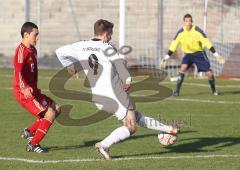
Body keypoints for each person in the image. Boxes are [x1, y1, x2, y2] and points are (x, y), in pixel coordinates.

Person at [56, 19, 179, 160]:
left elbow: (59, 52)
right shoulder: (108, 47)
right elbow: (120, 65)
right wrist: (127, 80)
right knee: (131, 126)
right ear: (106, 34)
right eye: (111, 33)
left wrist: (70, 66)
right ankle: (104, 144)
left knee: (135, 116)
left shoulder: (80, 45)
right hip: (115, 92)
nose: (111, 36)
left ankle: (169, 129)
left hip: (98, 97)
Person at [13, 22, 61, 153]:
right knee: (49, 114)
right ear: (26, 35)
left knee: (56, 108)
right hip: (24, 92)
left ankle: (29, 131)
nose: (37, 37)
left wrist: (34, 88)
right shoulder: (21, 51)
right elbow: (18, 72)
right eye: (36, 34)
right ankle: (33, 144)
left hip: (33, 91)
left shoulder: (33, 50)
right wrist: (24, 88)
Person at [160, 14, 225, 96]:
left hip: (199, 54)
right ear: (184, 22)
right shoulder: (180, 33)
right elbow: (173, 46)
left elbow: (207, 43)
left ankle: (214, 91)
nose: (188, 23)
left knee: (209, 73)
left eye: (190, 21)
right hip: (188, 55)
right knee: (182, 68)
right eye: (186, 21)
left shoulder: (197, 31)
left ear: (192, 22)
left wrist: (216, 55)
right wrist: (166, 58)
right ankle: (176, 92)